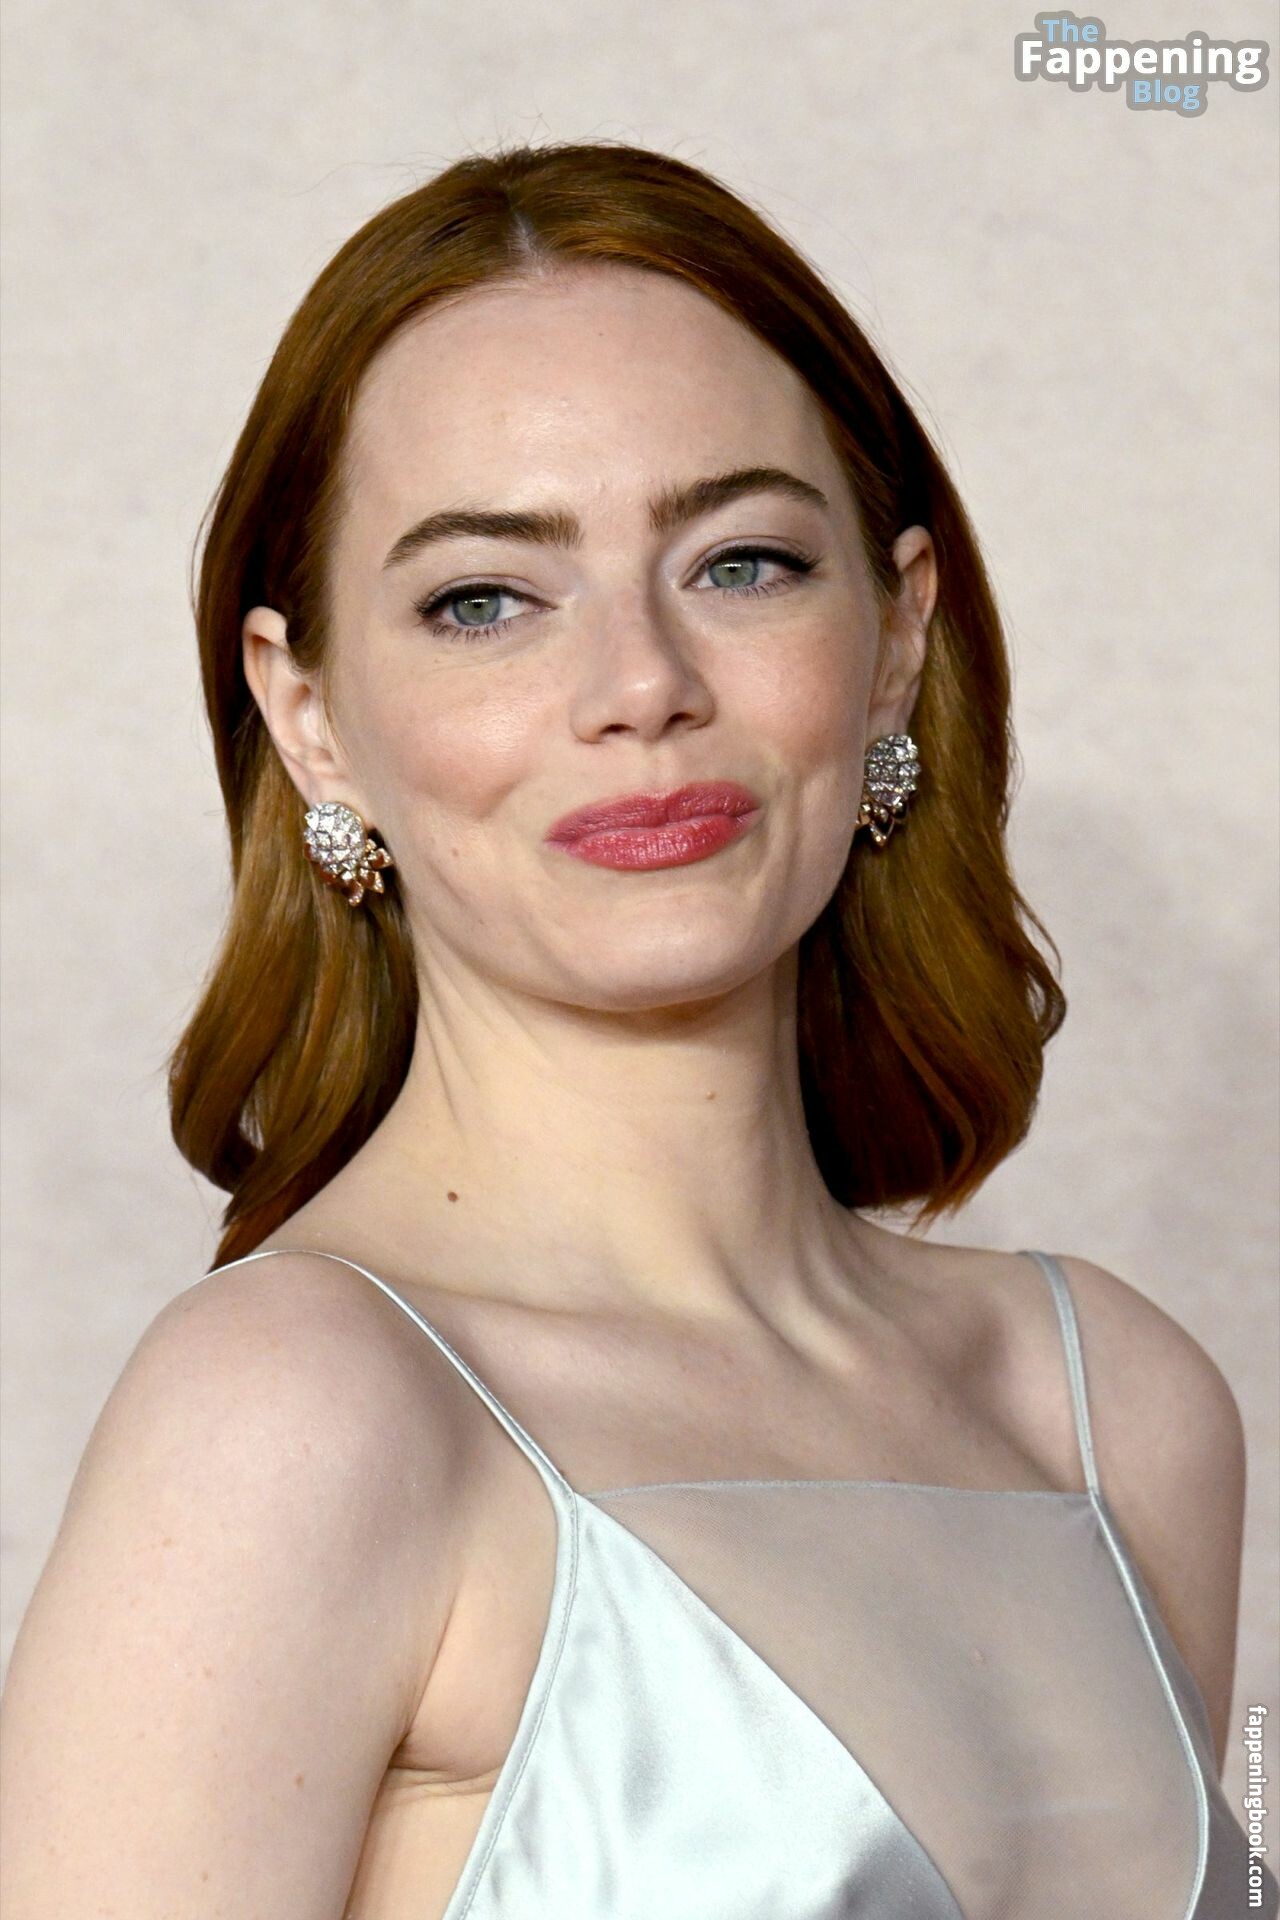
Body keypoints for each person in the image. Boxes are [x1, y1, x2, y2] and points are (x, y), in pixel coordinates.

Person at [1, 140, 1272, 1920]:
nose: (644, 686)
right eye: (484, 600)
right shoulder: (296, 1420)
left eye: (743, 563)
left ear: (894, 638)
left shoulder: (1114, 1408)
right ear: (310, 715)